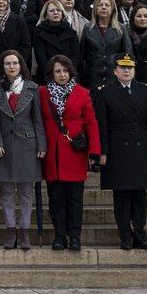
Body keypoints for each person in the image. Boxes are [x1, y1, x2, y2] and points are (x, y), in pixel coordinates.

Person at [92, 55, 147, 250]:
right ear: (115, 70)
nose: (127, 71)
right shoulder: (105, 92)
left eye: (130, 68)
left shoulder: (145, 91)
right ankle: (125, 236)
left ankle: (139, 234)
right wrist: (101, 151)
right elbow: (101, 124)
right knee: (121, 195)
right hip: (117, 148)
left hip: (140, 148)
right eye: (122, 68)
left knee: (140, 195)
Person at [38, 55, 97, 252]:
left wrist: (95, 151)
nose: (62, 75)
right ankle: (59, 236)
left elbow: (91, 122)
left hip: (75, 152)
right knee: (55, 199)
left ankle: (74, 237)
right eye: (57, 71)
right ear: (51, 74)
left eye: (65, 71)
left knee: (75, 199)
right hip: (52, 152)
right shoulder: (42, 93)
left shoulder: (82, 93)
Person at [0, 48, 44, 251]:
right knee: (5, 190)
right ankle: (10, 229)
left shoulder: (31, 88)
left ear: (21, 65)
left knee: (25, 191)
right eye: (7, 63)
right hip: (4, 145)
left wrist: (42, 145)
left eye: (15, 63)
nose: (11, 67)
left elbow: (38, 119)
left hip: (27, 145)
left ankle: (24, 231)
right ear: (2, 67)